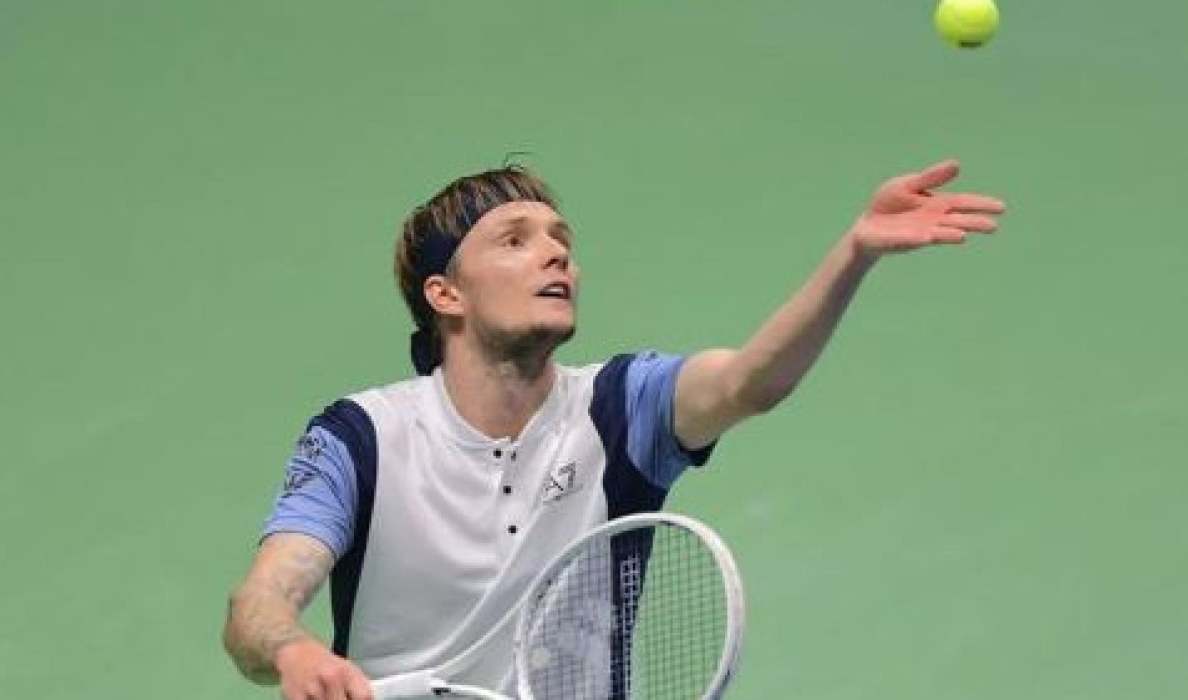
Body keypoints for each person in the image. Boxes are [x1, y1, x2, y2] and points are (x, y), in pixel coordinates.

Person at [223, 159, 1006, 700]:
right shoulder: (363, 437)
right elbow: (261, 600)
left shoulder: (621, 407)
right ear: (445, 294)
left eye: (561, 240)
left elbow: (750, 382)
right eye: (515, 239)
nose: (555, 255)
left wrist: (854, 253)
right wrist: (292, 648)